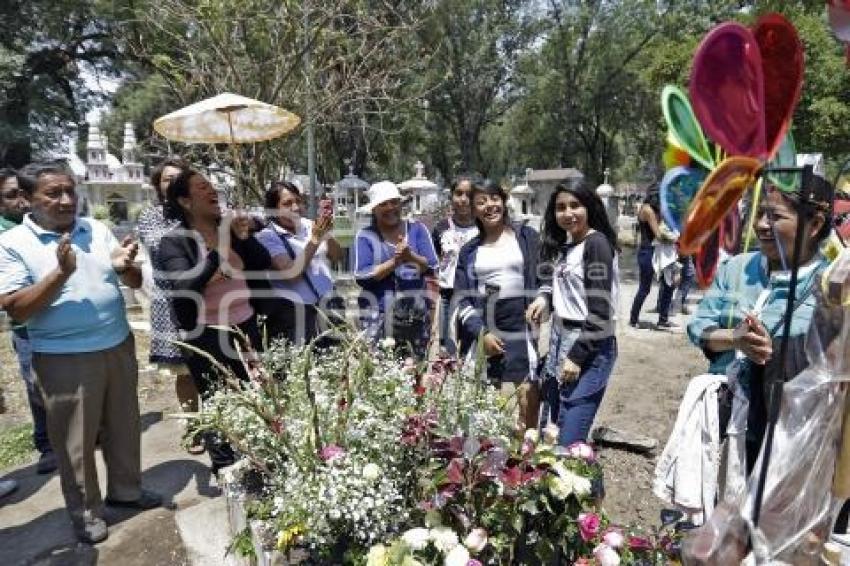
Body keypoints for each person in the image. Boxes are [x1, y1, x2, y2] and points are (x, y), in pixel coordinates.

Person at [0, 162, 161, 544]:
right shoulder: (11, 245)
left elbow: (133, 278)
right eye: (53, 193)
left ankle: (127, 493)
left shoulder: (97, 229)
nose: (67, 199)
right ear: (27, 199)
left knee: (124, 428)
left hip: (117, 345)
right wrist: (60, 272)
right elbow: (16, 309)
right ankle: (86, 513)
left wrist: (126, 268)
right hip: (63, 358)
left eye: (70, 190)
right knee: (76, 442)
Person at [687, 178, 832, 472]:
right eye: (761, 213)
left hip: (788, 431)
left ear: (814, 224)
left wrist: (777, 354)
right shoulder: (737, 268)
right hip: (725, 419)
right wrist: (734, 338)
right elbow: (699, 328)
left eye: (776, 216)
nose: (762, 224)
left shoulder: (831, 287)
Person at [158, 168, 273, 473]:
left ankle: (260, 460)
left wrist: (244, 236)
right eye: (202, 188)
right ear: (184, 200)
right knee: (219, 403)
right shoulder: (174, 242)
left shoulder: (231, 229)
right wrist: (219, 248)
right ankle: (226, 471)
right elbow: (184, 286)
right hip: (205, 335)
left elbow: (264, 264)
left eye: (212, 186)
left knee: (257, 394)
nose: (213, 192)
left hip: (245, 326)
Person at [527, 182, 620, 446]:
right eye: (560, 208)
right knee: (552, 428)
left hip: (588, 344)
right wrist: (545, 300)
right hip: (560, 338)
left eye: (575, 205)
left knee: (570, 439)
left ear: (589, 206)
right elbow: (567, 291)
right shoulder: (569, 247)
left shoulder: (596, 245)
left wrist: (577, 357)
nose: (568, 213)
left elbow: (600, 310)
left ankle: (586, 486)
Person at [454, 179, 540, 432]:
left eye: (494, 198)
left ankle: (527, 455)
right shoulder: (469, 251)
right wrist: (482, 334)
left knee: (527, 390)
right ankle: (489, 456)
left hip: (519, 320)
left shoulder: (526, 237)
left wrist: (542, 299)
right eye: (481, 202)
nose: (489, 206)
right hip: (486, 322)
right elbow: (463, 297)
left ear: (503, 201)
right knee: (487, 395)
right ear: (473, 210)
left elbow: (545, 276)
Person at [136, 157, 203, 453]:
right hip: (172, 303)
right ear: (158, 185)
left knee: (213, 363)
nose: (173, 182)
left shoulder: (198, 211)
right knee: (185, 371)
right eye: (167, 179)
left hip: (208, 297)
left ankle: (221, 420)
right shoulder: (152, 216)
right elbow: (159, 248)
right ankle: (194, 423)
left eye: (179, 177)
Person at [0, 168, 56, 474]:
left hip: (57, 319)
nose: (20, 200)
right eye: (11, 195)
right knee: (36, 386)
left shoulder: (43, 224)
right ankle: (47, 444)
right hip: (26, 326)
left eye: (23, 192)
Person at [353, 181, 438, 357]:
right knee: (380, 373)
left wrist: (410, 256)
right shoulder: (365, 236)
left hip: (414, 315)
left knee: (413, 370)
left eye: (394, 202)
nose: (390, 207)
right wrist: (395, 261)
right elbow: (362, 275)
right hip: (377, 314)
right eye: (383, 204)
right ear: (374, 209)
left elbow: (430, 265)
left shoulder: (417, 229)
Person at [255, 180, 343, 345]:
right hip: (296, 317)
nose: (296, 208)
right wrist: (316, 239)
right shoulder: (267, 237)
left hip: (330, 307)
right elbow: (291, 274)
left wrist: (327, 233)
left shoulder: (311, 226)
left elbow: (337, 256)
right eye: (287, 203)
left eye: (298, 201)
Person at [431, 175, 479, 355]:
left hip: (473, 296)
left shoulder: (482, 228)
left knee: (472, 346)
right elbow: (435, 259)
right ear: (451, 196)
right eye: (459, 193)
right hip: (447, 295)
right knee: (446, 350)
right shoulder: (441, 228)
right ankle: (448, 382)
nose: (464, 199)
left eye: (469, 194)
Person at [629, 185, 677, 329]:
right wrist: (675, 239)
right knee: (645, 288)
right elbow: (658, 234)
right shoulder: (647, 209)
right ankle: (633, 318)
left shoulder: (658, 209)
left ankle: (663, 319)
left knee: (669, 284)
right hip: (648, 251)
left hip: (660, 251)